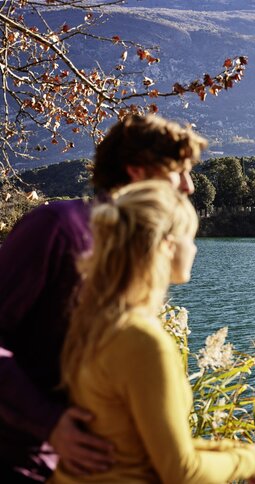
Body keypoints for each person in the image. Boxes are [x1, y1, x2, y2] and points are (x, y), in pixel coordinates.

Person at [0, 115, 204, 482]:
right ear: (138, 171)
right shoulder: (57, 228)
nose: (188, 186)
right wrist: (49, 422)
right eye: (178, 171)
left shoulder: (138, 257)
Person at [50, 181, 255, 483]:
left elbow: (144, 444)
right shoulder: (143, 342)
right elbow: (181, 471)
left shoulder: (95, 320)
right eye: (190, 237)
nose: (195, 247)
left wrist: (239, 450)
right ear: (166, 245)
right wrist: (249, 462)